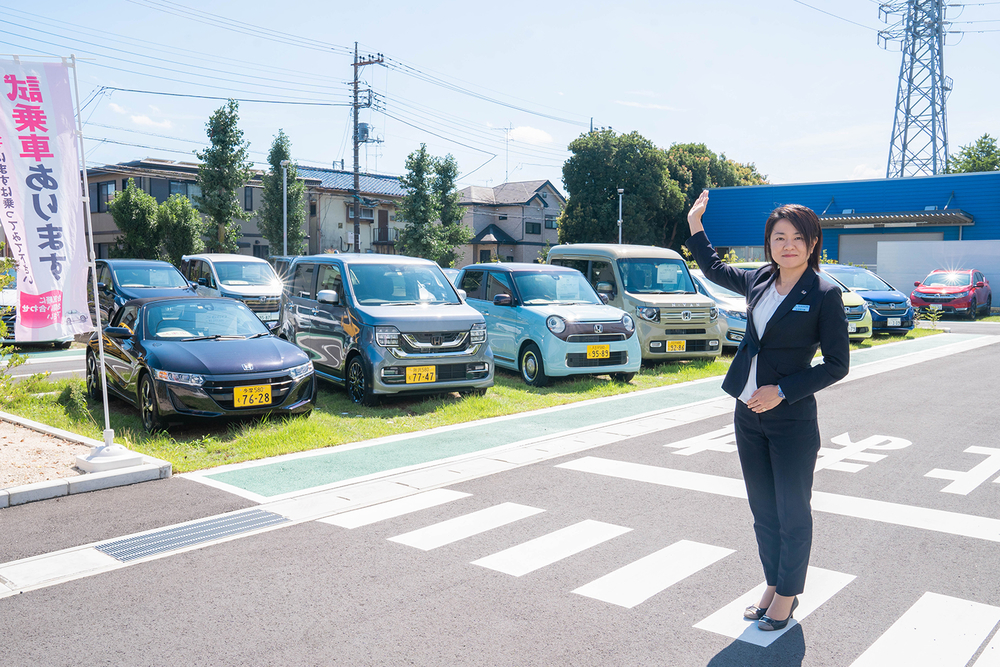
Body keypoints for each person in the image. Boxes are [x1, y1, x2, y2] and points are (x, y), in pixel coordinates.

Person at [684, 190, 850, 631]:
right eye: (779, 237)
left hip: (791, 418)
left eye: (798, 237)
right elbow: (715, 270)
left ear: (813, 243)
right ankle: (774, 582)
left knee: (792, 509)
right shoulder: (760, 278)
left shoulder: (824, 293)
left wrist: (783, 390)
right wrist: (695, 225)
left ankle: (789, 593)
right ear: (769, 243)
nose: (788, 245)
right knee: (763, 509)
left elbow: (837, 365)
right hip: (747, 413)